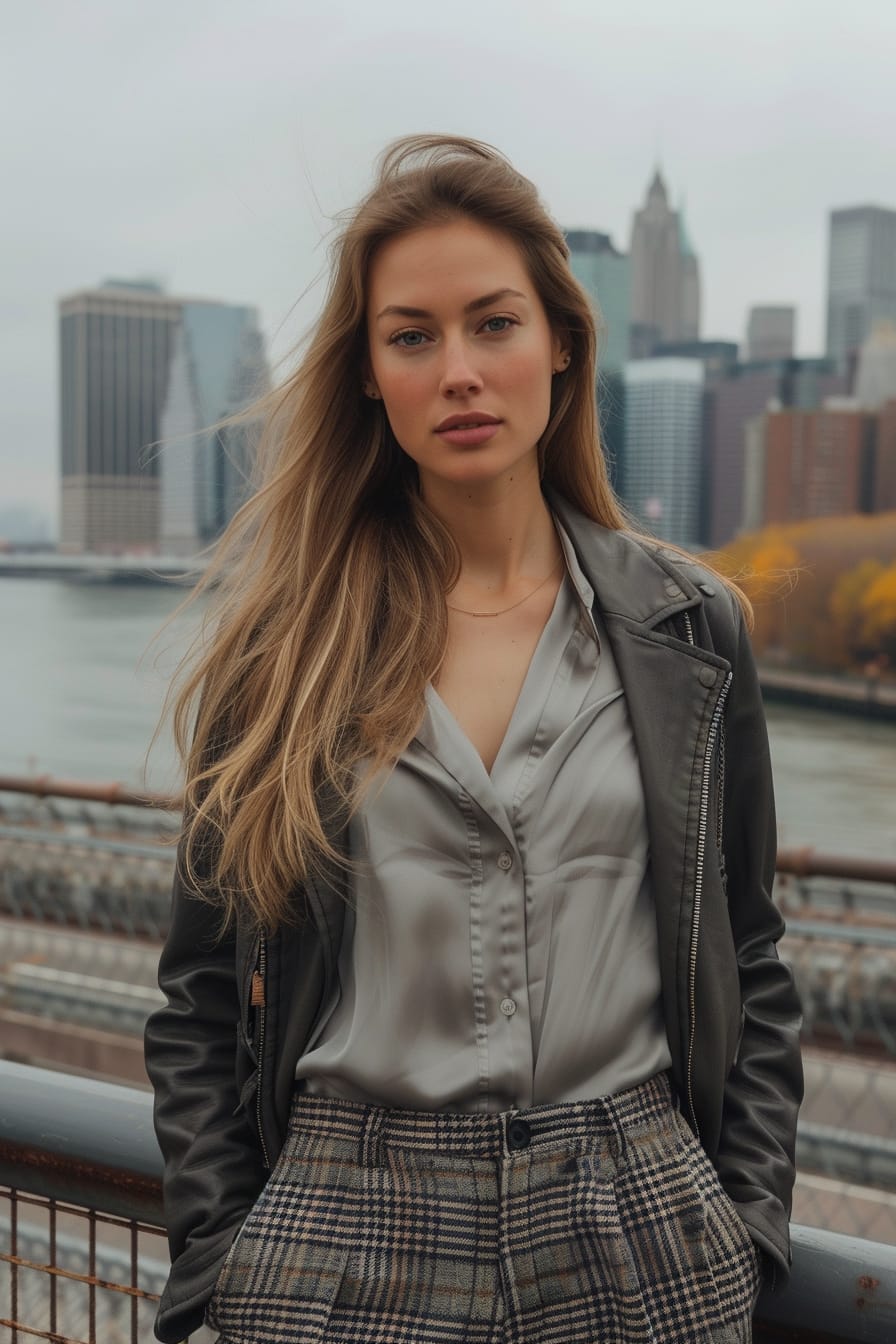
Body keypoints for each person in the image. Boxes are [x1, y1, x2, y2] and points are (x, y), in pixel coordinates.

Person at [144, 134, 803, 1344]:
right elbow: (196, 998)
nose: (458, 371)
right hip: (339, 1242)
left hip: (638, 1225)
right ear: (366, 375)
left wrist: (742, 1225)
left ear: (560, 340)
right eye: (411, 336)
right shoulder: (280, 654)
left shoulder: (687, 628)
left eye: (492, 323)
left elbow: (750, 960)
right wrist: (221, 1259)